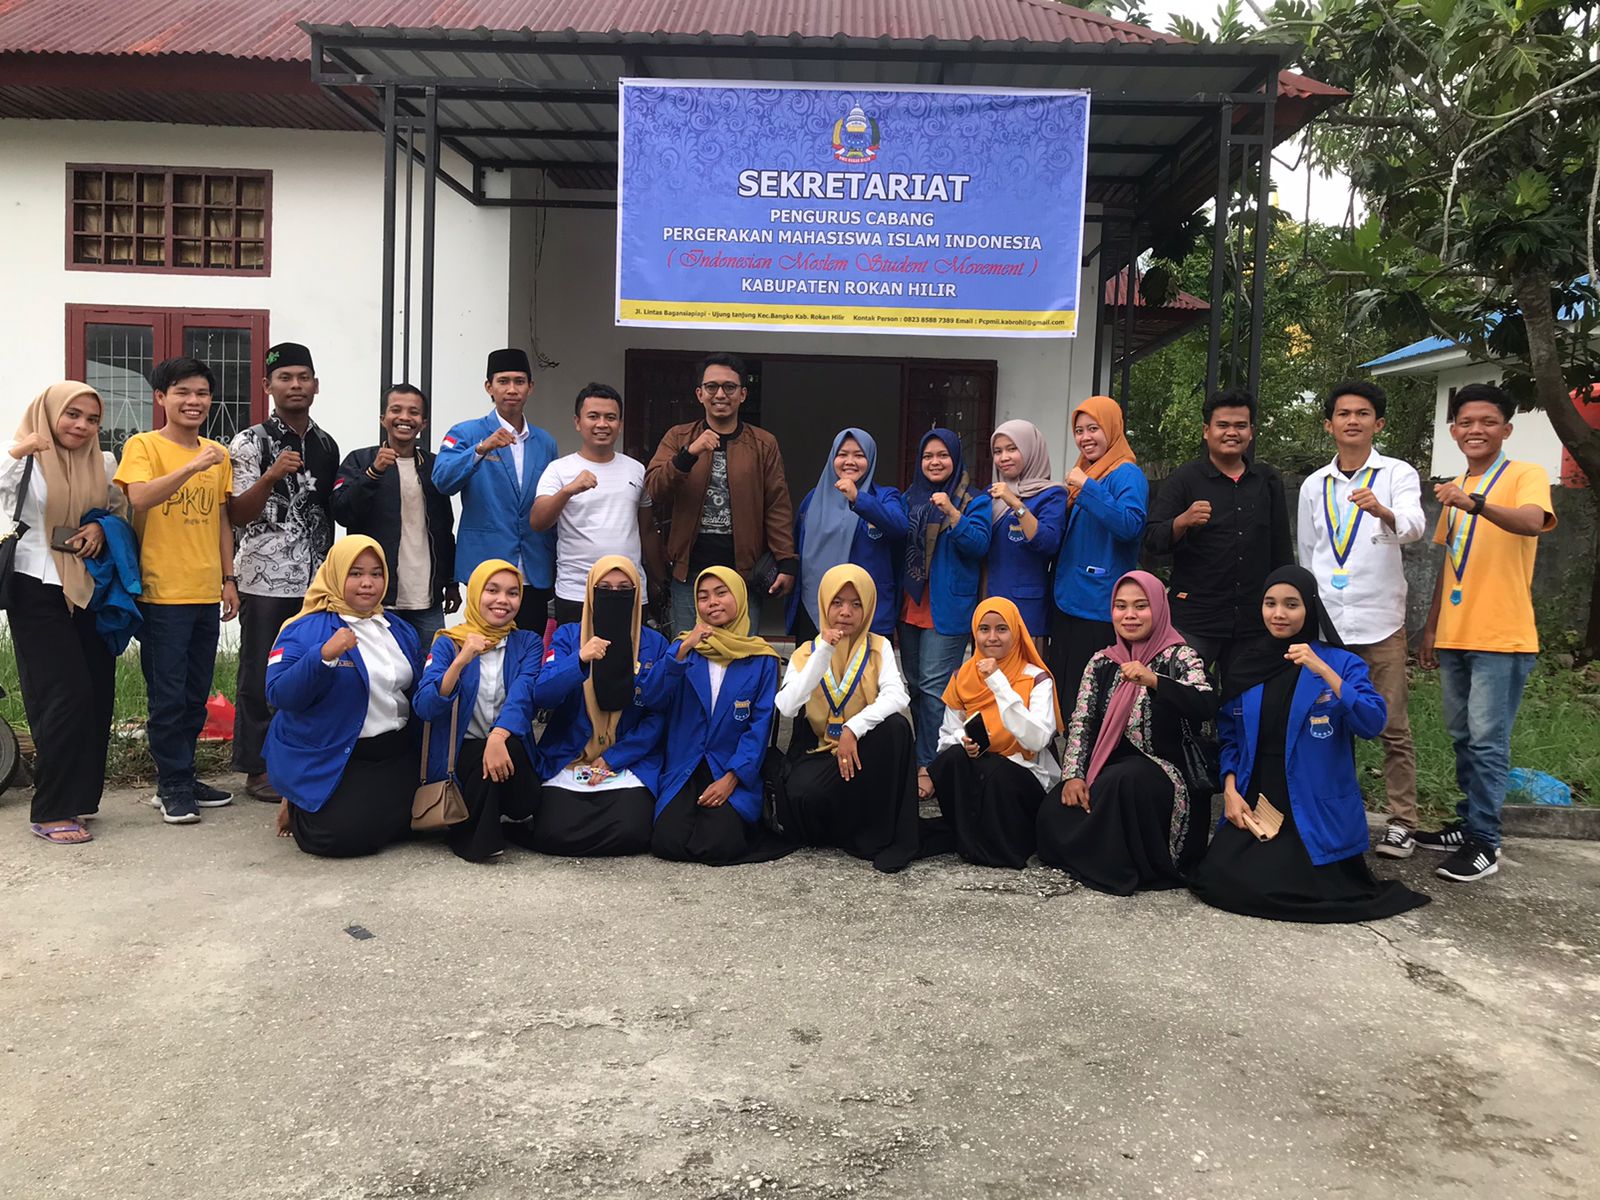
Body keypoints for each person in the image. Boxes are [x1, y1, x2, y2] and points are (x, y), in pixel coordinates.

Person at [1188, 566, 1430, 922]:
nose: (1279, 613)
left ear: (1310, 608)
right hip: (1258, 796)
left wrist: (1324, 671)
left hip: (1312, 801)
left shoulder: (1341, 662)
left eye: (1291, 604)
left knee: (1291, 887)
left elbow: (1371, 723)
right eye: (1270, 603)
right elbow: (1231, 738)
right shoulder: (1247, 664)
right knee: (1218, 879)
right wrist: (1230, 790)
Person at [1415, 382, 1556, 883]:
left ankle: (1485, 842)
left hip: (1502, 636)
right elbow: (1449, 563)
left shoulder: (1524, 475)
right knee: (1462, 737)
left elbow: (1532, 522)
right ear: (1454, 430)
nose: (1476, 430)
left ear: (1506, 430)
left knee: (1488, 742)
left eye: (1488, 422)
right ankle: (1467, 821)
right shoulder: (1455, 485)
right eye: (1467, 422)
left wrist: (1474, 503)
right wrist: (1430, 629)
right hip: (1455, 634)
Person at [1297, 380, 1425, 860]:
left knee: (1391, 724)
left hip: (1380, 621)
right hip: (1328, 625)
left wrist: (1382, 511)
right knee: (1325, 720)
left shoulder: (1396, 473)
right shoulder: (1314, 484)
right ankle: (1333, 812)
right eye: (1344, 414)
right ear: (1329, 424)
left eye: (1363, 413)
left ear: (1379, 424)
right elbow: (1308, 552)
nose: (1353, 421)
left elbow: (1414, 527)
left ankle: (1402, 821)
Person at [114, 357, 240, 825]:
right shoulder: (143, 445)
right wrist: (192, 466)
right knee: (166, 696)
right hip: (160, 592)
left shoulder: (217, 453)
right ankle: (171, 785)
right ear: (161, 397)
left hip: (205, 590)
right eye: (183, 392)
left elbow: (222, 519)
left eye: (202, 393)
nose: (194, 401)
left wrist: (229, 579)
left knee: (194, 694)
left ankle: (182, 775)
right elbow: (139, 497)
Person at [1036, 571, 1216, 894]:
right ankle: (1096, 857)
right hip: (1110, 771)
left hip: (1168, 774)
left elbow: (1204, 703)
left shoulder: (1180, 656)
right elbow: (1082, 721)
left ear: (1158, 608)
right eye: (1121, 606)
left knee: (1123, 782)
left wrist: (1155, 681)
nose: (1129, 615)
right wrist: (1073, 776)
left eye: (1140, 606)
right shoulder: (1102, 662)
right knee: (1055, 808)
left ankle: (1122, 865)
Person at [2, 383, 126, 844]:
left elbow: (118, 511)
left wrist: (100, 528)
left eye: (92, 419)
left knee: (96, 691)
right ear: (48, 412)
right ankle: (51, 808)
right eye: (72, 414)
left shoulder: (103, 462)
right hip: (34, 584)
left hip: (87, 585)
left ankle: (79, 799)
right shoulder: (22, 457)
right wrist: (20, 451)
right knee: (63, 694)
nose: (82, 426)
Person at [227, 342, 340, 803]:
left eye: (303, 377)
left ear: (317, 385)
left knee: (312, 669)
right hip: (264, 578)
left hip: (316, 581)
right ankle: (257, 767)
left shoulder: (326, 444)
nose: (296, 386)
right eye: (285, 378)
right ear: (267, 386)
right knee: (261, 673)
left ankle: (302, 758)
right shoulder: (250, 442)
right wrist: (271, 476)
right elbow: (237, 513)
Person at [264, 536, 422, 858]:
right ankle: (297, 802)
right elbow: (279, 694)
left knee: (430, 820)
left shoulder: (399, 629)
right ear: (335, 574)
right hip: (338, 754)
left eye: (376, 573)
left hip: (395, 752)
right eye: (355, 573)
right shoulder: (303, 629)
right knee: (338, 838)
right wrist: (322, 656)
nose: (367, 583)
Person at [773, 565, 918, 873]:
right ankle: (843, 831)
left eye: (856, 604)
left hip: (863, 750)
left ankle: (878, 836)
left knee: (896, 727)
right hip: (822, 752)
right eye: (837, 602)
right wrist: (823, 653)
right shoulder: (806, 652)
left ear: (868, 608)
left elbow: (897, 696)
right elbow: (787, 706)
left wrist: (854, 728)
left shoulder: (878, 647)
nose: (846, 612)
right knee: (803, 796)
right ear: (824, 604)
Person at [520, 556, 669, 856]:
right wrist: (579, 660)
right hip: (571, 757)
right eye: (605, 588)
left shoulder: (655, 644)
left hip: (627, 761)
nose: (614, 594)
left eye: (624, 589)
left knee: (633, 832)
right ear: (590, 592)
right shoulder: (568, 636)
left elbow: (658, 715)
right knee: (552, 833)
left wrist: (614, 758)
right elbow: (544, 695)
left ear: (636, 594)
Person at [648, 567, 793, 866]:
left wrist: (732, 778)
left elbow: (759, 728)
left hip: (730, 766)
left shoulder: (761, 658)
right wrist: (683, 648)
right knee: (668, 842)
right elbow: (652, 697)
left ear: (739, 597)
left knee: (719, 845)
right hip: (686, 764)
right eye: (703, 597)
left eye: (721, 593)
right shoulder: (683, 649)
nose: (712, 602)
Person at [644, 352, 796, 637]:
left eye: (729, 387)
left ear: (743, 394)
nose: (720, 394)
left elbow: (777, 505)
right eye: (712, 387)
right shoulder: (679, 437)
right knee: (689, 652)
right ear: (700, 394)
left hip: (743, 574)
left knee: (741, 654)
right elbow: (655, 488)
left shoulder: (763, 443)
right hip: (688, 573)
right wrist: (689, 454)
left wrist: (786, 560)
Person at [1144, 388, 1292, 674]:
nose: (1231, 432)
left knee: (1246, 695)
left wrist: (1283, 606)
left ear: (1251, 432)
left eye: (1240, 425)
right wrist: (1182, 521)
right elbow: (1152, 539)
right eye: (1222, 425)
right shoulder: (1184, 479)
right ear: (1206, 430)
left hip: (1253, 621)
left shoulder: (1266, 481)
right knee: (1180, 691)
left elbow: (1281, 549)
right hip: (1195, 619)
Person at [414, 559, 542, 863]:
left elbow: (523, 696)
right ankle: (476, 839)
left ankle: (486, 824)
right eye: (492, 590)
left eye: (512, 593)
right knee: (480, 759)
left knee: (505, 749)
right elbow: (425, 706)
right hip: (462, 756)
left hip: (508, 747)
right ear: (474, 594)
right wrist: (460, 661)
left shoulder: (527, 642)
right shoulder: (449, 643)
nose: (503, 600)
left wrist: (497, 736)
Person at [921, 597, 1062, 869]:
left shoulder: (1036, 678)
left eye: (1002, 629)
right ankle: (968, 836)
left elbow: (1037, 739)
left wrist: (998, 682)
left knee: (996, 771)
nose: (992, 637)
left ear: (1016, 631)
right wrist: (963, 741)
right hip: (980, 766)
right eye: (984, 629)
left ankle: (1003, 844)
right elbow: (945, 737)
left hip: (1023, 772)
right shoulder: (963, 676)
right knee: (952, 759)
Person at [433, 348, 558, 631]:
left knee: (529, 646)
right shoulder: (466, 433)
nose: (511, 389)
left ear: (530, 387)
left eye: (519, 381)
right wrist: (480, 449)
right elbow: (442, 480)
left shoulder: (545, 442)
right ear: (489, 387)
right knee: (484, 645)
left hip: (534, 567)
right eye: (503, 381)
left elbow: (549, 503)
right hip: (486, 565)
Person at [330, 384, 460, 651]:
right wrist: (373, 472)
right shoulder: (360, 460)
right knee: (381, 668)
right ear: (383, 418)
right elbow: (342, 512)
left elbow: (444, 527)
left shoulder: (434, 465)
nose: (404, 418)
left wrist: (450, 581)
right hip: (376, 596)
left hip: (427, 597)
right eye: (396, 410)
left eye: (414, 412)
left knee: (429, 667)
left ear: (423, 423)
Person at [899, 428, 991, 799]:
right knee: (915, 688)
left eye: (942, 455)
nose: (934, 462)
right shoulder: (909, 497)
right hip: (911, 605)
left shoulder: (973, 499)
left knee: (935, 690)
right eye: (927, 456)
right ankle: (925, 754)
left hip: (947, 608)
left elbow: (979, 545)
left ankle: (929, 766)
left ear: (956, 458)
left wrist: (953, 513)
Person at [532, 383, 662, 627]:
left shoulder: (636, 469)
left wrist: (660, 579)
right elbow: (538, 521)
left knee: (631, 651)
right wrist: (568, 490)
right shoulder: (559, 470)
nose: (602, 424)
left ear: (620, 424)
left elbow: (646, 530)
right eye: (593, 416)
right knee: (577, 652)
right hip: (576, 591)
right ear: (578, 422)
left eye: (610, 417)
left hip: (630, 589)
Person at [1050, 396, 1148, 713]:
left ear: (1112, 428)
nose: (1085, 437)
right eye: (1079, 431)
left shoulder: (1126, 473)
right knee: (1065, 693)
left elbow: (1130, 525)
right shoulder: (1088, 470)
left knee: (1089, 698)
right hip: (1069, 599)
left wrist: (1087, 488)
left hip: (1098, 604)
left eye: (1094, 428)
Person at [789, 428, 907, 640]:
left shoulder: (884, 496)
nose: (850, 461)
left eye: (859, 455)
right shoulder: (814, 499)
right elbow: (796, 543)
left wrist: (857, 498)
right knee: (817, 662)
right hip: (817, 605)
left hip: (868, 611)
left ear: (870, 458)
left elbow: (899, 527)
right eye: (842, 454)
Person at [985, 419, 1067, 644]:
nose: (1004, 457)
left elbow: (1048, 543)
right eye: (998, 451)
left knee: (1027, 667)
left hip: (1027, 610)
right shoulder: (991, 494)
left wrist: (1015, 504)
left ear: (1031, 450)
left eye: (1012, 449)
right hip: (989, 604)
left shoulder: (1051, 494)